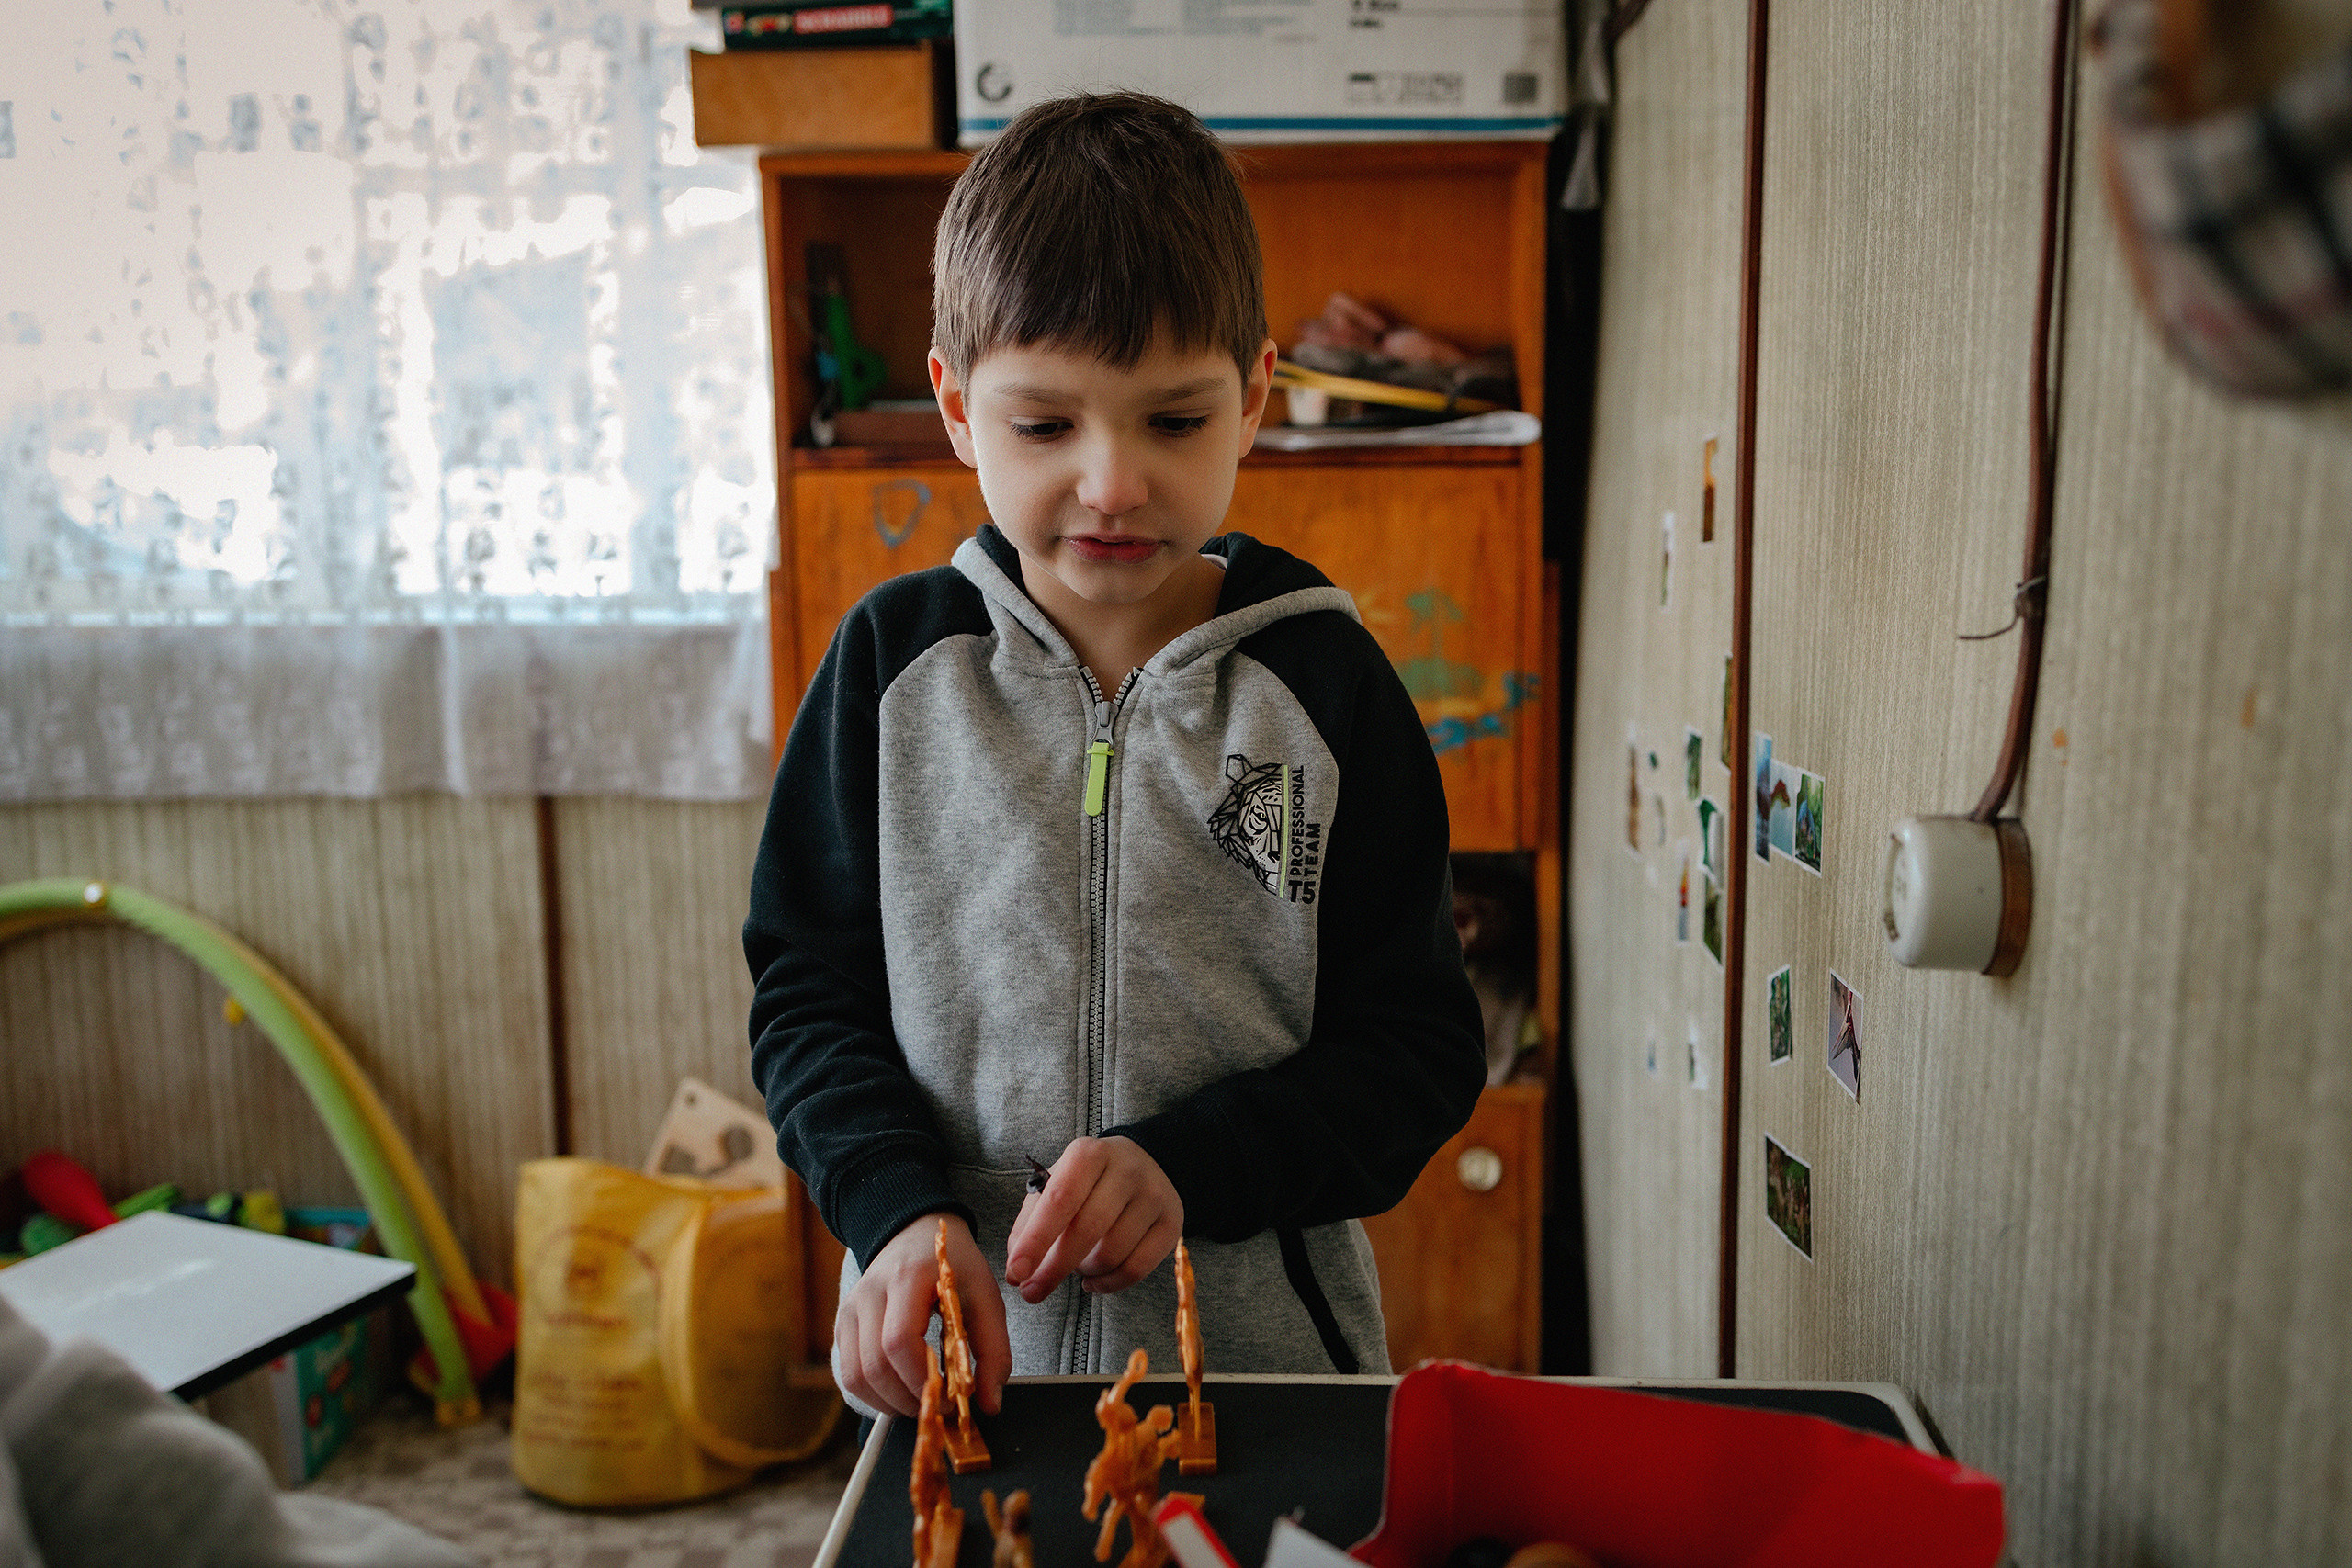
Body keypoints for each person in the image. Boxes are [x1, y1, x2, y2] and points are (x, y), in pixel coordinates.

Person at [742, 90, 1486, 1421]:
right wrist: (895, 1207)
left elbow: (1416, 1052)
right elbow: (809, 997)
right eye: (1045, 426)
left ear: (1256, 397)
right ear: (957, 407)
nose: (1112, 481)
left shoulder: (1325, 689)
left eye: (1174, 421)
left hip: (1257, 1385)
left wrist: (1197, 1166)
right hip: (964, 1379)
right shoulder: (885, 674)